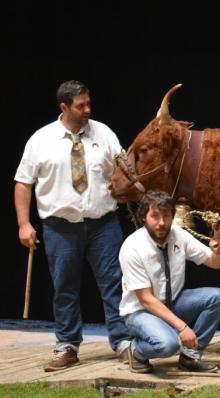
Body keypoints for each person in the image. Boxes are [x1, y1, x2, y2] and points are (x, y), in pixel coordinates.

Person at [14, 80, 133, 372]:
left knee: (114, 284)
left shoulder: (103, 133)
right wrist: (24, 223)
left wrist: (123, 180)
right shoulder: (40, 139)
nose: (87, 110)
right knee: (64, 288)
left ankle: (124, 342)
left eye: (88, 103)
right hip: (60, 227)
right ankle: (67, 345)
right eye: (81, 106)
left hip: (103, 224)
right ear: (64, 106)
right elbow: (23, 183)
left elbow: (123, 168)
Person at [119, 190, 220, 373]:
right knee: (168, 344)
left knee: (218, 297)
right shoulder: (132, 247)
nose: (161, 223)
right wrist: (183, 328)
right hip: (140, 312)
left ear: (172, 217)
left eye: (166, 216)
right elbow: (146, 299)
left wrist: (219, 248)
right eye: (155, 216)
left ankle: (190, 357)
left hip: (172, 303)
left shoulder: (179, 235)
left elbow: (215, 264)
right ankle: (135, 352)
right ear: (144, 218)